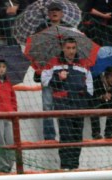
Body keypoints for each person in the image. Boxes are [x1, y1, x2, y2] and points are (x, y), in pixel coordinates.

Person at [41, 38, 92, 170]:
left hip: (79, 105)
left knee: (77, 136)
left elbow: (90, 87)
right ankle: (65, 165)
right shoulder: (53, 62)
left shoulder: (84, 64)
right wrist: (58, 78)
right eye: (68, 48)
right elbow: (44, 80)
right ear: (63, 48)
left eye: (73, 48)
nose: (71, 51)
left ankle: (75, 165)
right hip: (62, 104)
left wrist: (83, 94)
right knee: (66, 135)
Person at [34, 2, 72, 142]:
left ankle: (66, 135)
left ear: (62, 13)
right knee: (47, 104)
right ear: (48, 13)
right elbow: (35, 48)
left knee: (65, 105)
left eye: (57, 10)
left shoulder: (68, 28)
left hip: (65, 70)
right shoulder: (41, 28)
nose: (54, 13)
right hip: (48, 70)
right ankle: (49, 136)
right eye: (52, 11)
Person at [90, 66, 112, 140]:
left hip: (106, 104)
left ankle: (108, 133)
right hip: (95, 103)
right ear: (106, 76)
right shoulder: (97, 81)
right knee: (95, 107)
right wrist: (102, 97)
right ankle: (96, 133)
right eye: (111, 76)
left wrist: (111, 94)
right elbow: (92, 96)